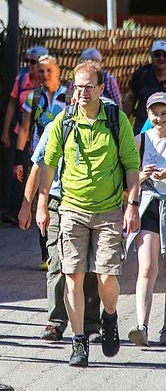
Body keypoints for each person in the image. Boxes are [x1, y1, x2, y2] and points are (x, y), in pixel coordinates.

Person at [36, 60, 140, 367]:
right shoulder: (63, 121)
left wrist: (131, 205)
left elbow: (131, 165)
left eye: (88, 86)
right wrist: (42, 204)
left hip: (109, 210)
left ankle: (109, 316)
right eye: (78, 86)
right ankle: (78, 341)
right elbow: (47, 165)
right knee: (72, 276)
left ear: (100, 87)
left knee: (106, 276)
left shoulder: (115, 119)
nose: (82, 92)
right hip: (71, 210)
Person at [18, 124, 101, 343]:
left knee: (88, 264)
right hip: (57, 202)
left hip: (88, 203)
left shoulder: (102, 126)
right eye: (77, 90)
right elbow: (38, 166)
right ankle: (55, 322)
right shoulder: (56, 127)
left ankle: (91, 324)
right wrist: (29, 205)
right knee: (55, 261)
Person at [14, 55, 68, 271]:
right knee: (41, 200)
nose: (45, 75)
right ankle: (46, 254)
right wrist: (18, 160)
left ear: (58, 72)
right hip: (39, 155)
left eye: (49, 71)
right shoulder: (33, 97)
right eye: (41, 71)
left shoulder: (69, 96)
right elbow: (24, 129)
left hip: (64, 156)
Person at [126, 92, 166, 346]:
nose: (160, 118)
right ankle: (142, 325)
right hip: (149, 205)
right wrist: (141, 177)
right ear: (148, 115)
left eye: (164, 113)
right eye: (155, 113)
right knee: (147, 267)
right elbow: (125, 177)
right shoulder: (139, 141)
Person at [0, 46, 48, 227]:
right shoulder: (21, 80)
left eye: (33, 61)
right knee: (19, 170)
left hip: (41, 135)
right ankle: (15, 211)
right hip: (21, 131)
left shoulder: (47, 85)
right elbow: (12, 105)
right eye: (26, 61)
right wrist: (5, 130)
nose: (29, 65)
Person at [123, 40, 166, 135]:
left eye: (165, 55)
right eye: (157, 55)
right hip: (142, 126)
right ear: (151, 56)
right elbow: (130, 98)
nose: (161, 58)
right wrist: (122, 122)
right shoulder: (142, 74)